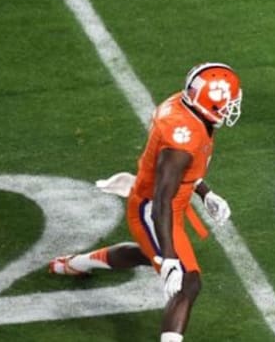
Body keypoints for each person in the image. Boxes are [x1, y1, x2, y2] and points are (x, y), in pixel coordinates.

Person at [49, 62, 243, 342]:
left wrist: (205, 193)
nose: (232, 107)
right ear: (210, 103)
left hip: (165, 200)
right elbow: (162, 200)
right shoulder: (182, 139)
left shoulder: (187, 111)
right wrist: (169, 258)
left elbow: (182, 171)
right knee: (188, 283)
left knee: (147, 254)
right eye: (229, 102)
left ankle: (77, 264)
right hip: (154, 208)